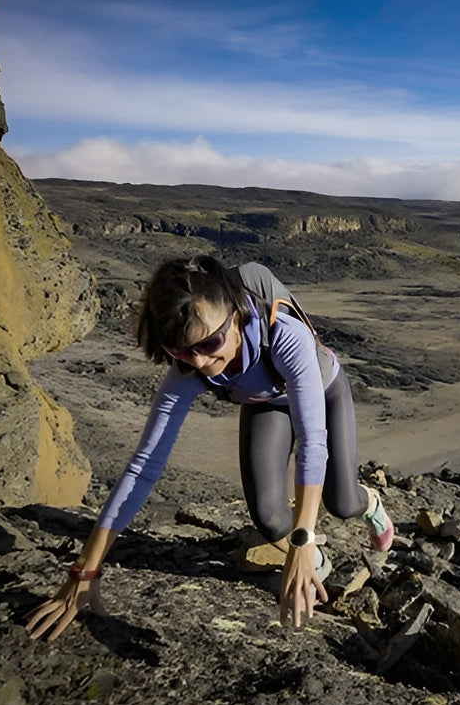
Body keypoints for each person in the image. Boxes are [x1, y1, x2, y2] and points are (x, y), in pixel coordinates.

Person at [25, 255, 393, 640]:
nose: (200, 361)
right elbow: (144, 466)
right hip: (266, 402)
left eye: (211, 343)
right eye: (182, 351)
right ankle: (318, 564)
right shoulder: (188, 369)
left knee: (341, 502)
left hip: (324, 390)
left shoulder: (284, 335)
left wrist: (303, 538)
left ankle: (371, 504)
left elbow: (312, 442)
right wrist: (85, 571)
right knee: (269, 517)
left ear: (236, 318)